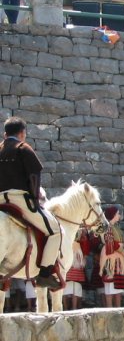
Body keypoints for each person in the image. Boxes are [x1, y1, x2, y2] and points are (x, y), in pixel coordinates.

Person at [0, 117, 61, 288]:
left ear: (5, 134)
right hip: (19, 199)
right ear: (22, 133)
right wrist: (34, 200)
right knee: (55, 230)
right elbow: (34, 175)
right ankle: (45, 273)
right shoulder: (23, 148)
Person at [100, 206, 124, 307]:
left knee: (118, 288)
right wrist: (122, 250)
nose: (119, 215)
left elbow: (123, 241)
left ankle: (118, 309)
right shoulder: (106, 228)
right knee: (110, 286)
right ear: (113, 215)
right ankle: (109, 309)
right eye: (117, 213)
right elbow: (109, 242)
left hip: (119, 261)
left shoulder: (117, 228)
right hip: (110, 260)